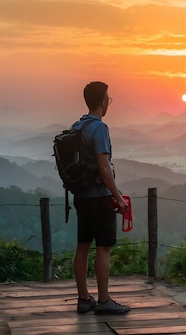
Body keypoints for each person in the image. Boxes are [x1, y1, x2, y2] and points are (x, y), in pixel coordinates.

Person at [72, 81, 130, 314]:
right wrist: (118, 197)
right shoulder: (99, 128)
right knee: (104, 247)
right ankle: (104, 301)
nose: (109, 102)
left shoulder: (77, 125)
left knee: (83, 246)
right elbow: (104, 168)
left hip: (81, 196)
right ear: (103, 101)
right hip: (99, 196)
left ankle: (84, 298)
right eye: (108, 98)